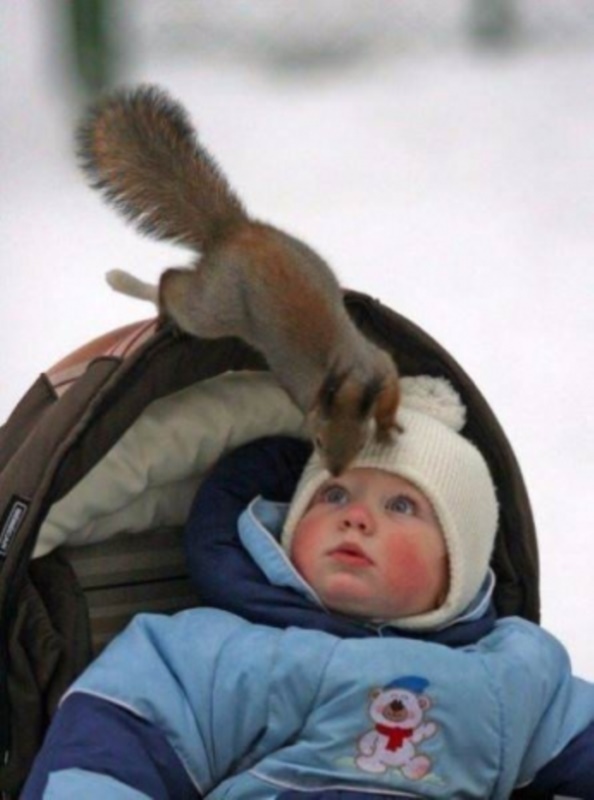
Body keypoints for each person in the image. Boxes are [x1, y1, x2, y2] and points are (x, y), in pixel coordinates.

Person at [22, 376, 594, 799]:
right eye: (335, 496)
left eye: (401, 506)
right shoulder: (210, 651)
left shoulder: (515, 674)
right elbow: (109, 751)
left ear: (459, 563)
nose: (357, 519)